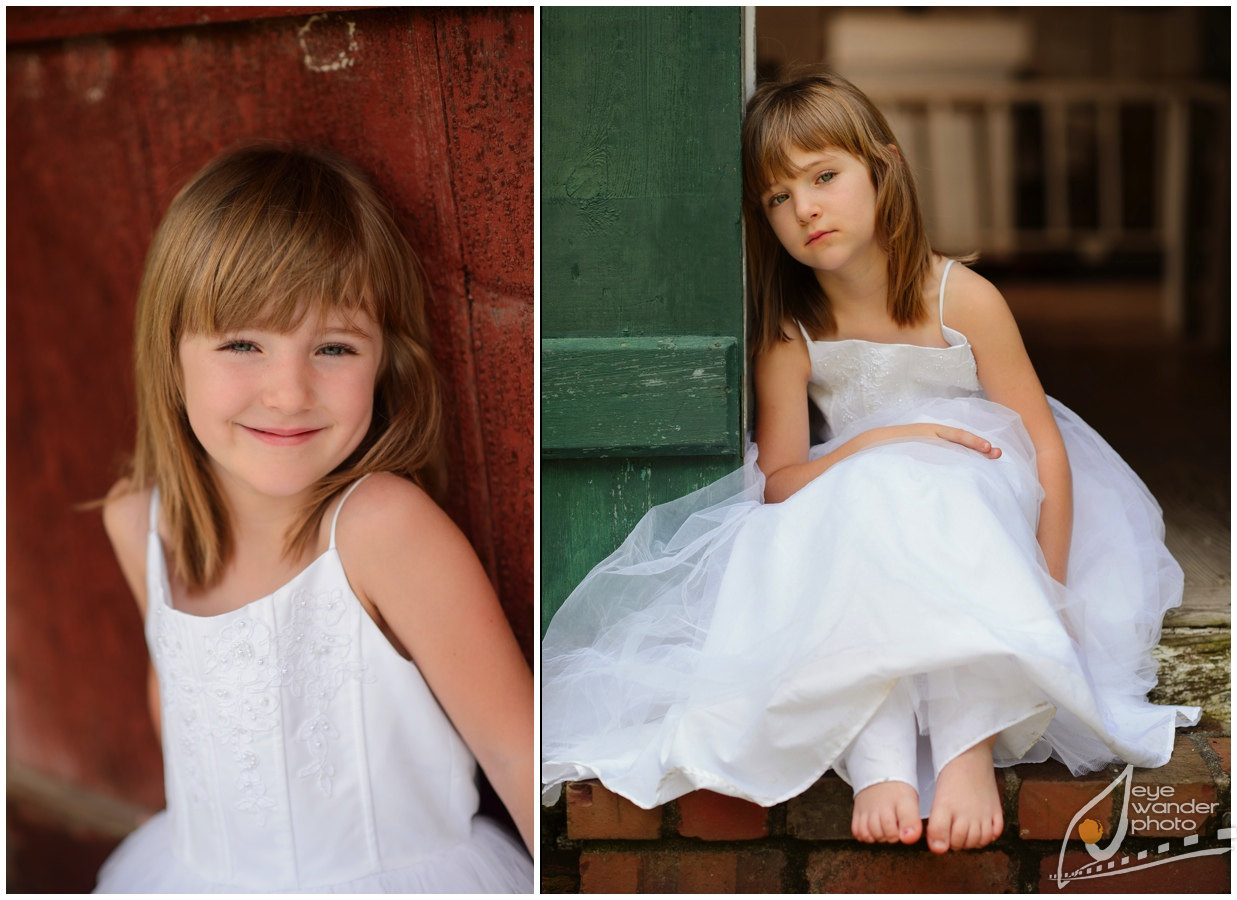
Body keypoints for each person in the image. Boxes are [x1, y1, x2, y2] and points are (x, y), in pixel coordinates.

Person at [541, 71, 1198, 855]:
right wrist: (872, 443)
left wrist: (1050, 590)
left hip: (985, 501)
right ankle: (878, 757)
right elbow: (781, 483)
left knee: (922, 496)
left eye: (823, 177)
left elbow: (1044, 452)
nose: (805, 209)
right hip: (865, 498)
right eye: (778, 199)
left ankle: (964, 750)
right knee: (863, 511)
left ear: (882, 169)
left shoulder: (964, 297)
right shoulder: (790, 332)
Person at [95, 144, 533, 892]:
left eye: (333, 346)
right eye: (243, 344)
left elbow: (513, 749)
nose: (290, 392)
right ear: (170, 357)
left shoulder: (383, 529)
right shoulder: (137, 521)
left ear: (383, 362)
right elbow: (179, 704)